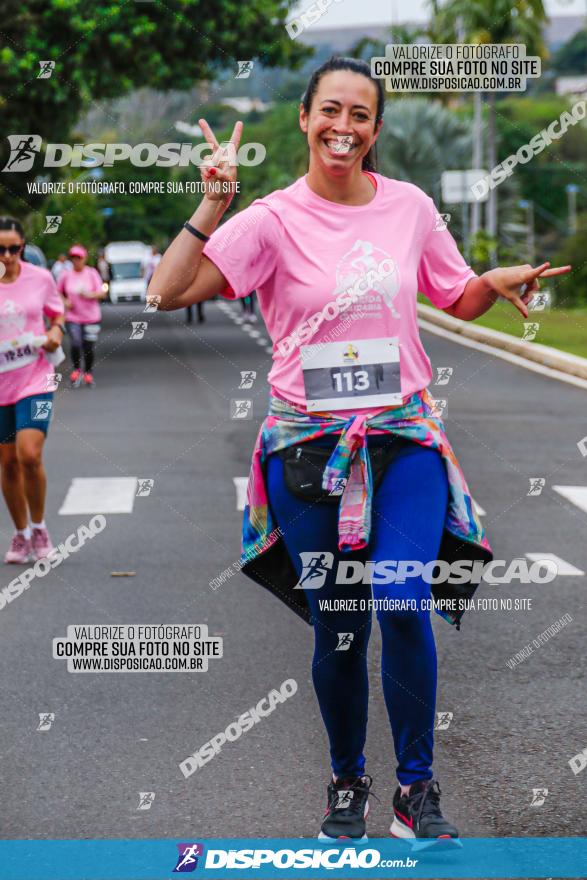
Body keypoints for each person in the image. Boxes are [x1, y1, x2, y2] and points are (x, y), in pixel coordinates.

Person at [149, 57, 571, 842]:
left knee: (402, 595)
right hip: (307, 450)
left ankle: (417, 787)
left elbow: (453, 293)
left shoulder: (407, 207)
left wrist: (493, 278)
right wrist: (213, 202)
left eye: (361, 116)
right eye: (330, 111)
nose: (344, 128)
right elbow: (168, 292)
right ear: (305, 118)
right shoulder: (270, 218)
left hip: (400, 437)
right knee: (339, 621)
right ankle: (347, 782)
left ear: (375, 130)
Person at [0, 217, 65, 563]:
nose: (7, 255)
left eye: (14, 248)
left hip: (36, 379)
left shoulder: (40, 279)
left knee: (29, 453)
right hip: (1, 384)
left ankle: (39, 527)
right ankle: (21, 533)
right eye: (0, 249)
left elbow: (57, 314)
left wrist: (56, 330)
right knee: (7, 462)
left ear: (22, 247)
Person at [58, 245, 106, 388]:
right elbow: (57, 292)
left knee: (88, 346)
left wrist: (89, 294)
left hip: (91, 316)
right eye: (74, 258)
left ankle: (88, 372)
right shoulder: (65, 275)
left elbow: (102, 292)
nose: (76, 260)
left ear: (84, 258)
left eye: (79, 258)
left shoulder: (92, 273)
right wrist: (65, 301)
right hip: (73, 316)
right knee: (75, 343)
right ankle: (76, 370)